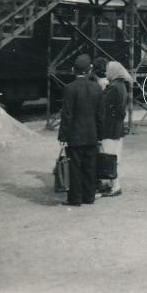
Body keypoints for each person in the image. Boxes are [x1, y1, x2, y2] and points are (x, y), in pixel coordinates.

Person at [58, 54, 105, 206]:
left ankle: (75, 199)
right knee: (90, 167)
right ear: (89, 70)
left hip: (75, 136)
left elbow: (67, 115)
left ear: (74, 70)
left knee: (75, 167)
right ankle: (89, 197)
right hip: (92, 135)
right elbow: (100, 115)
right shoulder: (96, 87)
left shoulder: (70, 88)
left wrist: (62, 136)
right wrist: (100, 135)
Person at [99, 61, 133, 198]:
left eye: (108, 70)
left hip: (110, 128)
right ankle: (110, 184)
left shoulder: (114, 87)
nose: (106, 72)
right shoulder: (121, 86)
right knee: (113, 157)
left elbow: (102, 105)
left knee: (109, 157)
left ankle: (115, 186)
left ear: (114, 72)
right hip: (117, 128)